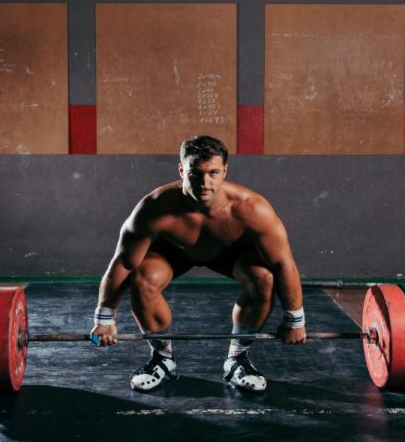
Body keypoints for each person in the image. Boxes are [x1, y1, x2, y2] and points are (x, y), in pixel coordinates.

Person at [90, 135, 306, 392]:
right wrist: (104, 318)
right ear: (182, 171)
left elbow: (283, 263)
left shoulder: (252, 208)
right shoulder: (154, 208)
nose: (205, 183)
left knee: (264, 278)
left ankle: (237, 360)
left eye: (213, 173)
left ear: (225, 171)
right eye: (196, 174)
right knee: (142, 277)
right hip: (175, 252)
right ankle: (162, 358)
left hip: (229, 253)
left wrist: (294, 320)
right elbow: (124, 263)